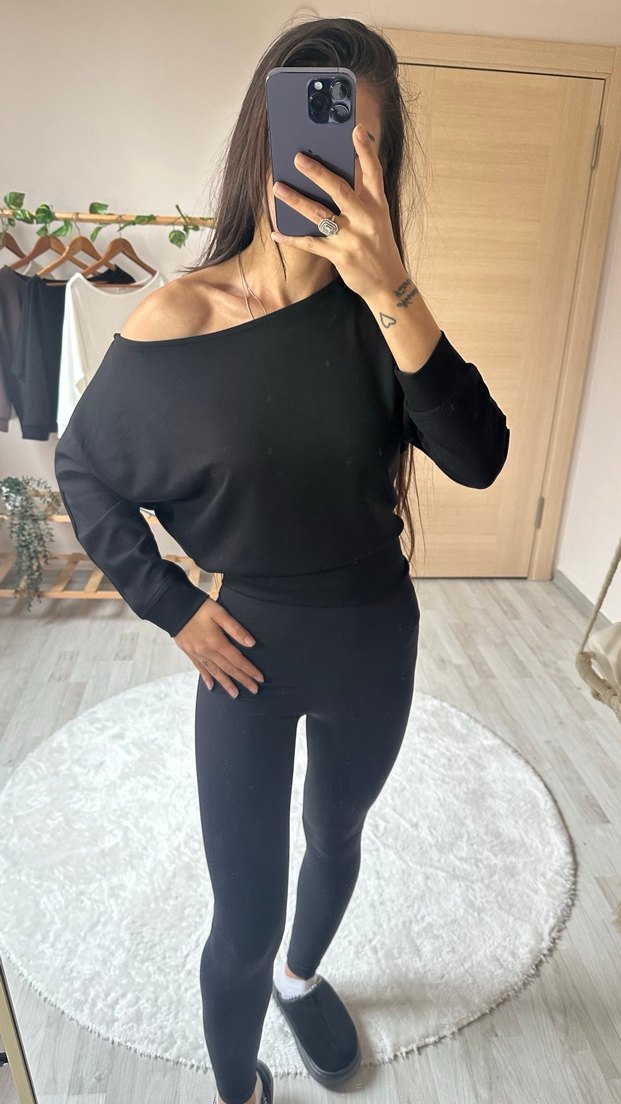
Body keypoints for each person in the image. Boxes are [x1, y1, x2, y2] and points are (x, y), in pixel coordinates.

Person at [54, 18, 510, 1104]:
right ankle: (238, 1090)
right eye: (304, 130)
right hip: (245, 653)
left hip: (373, 638)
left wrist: (394, 288)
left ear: (378, 167)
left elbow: (480, 457)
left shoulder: (383, 317)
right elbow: (85, 468)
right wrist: (172, 605)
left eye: (354, 144)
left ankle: (305, 982)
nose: (322, 163)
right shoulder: (179, 315)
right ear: (262, 136)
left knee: (336, 833)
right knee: (242, 917)